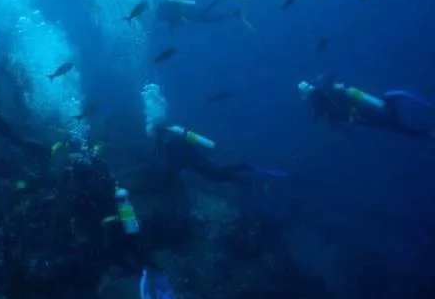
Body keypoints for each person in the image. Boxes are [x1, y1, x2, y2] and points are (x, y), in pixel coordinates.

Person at [298, 76, 434, 140]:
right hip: (359, 113)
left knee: (390, 123)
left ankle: (426, 133)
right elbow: (330, 117)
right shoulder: (321, 97)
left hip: (359, 111)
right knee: (390, 122)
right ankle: (425, 133)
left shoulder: (322, 96)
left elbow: (329, 117)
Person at [154, 124, 285, 185]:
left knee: (216, 173)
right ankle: (246, 174)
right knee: (215, 173)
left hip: (196, 162)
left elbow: (176, 163)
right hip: (198, 158)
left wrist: (171, 175)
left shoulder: (169, 145)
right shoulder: (175, 138)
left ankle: (247, 171)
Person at [155, 0, 253, 31]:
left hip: (194, 13)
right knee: (212, 15)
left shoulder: (168, 9)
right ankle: (233, 13)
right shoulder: (167, 7)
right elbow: (174, 22)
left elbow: (176, 20)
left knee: (210, 12)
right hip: (195, 14)